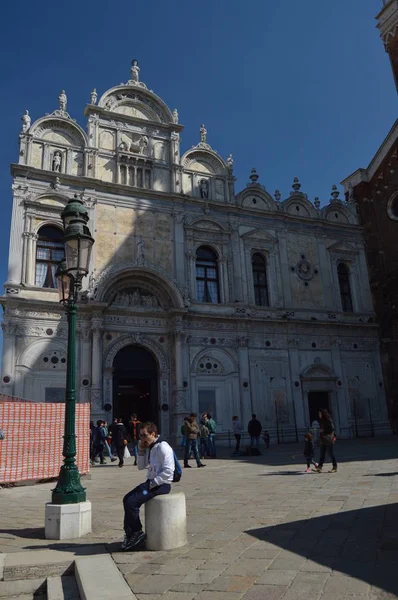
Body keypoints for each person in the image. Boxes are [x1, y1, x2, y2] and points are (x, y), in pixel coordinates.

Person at [121, 422, 174, 551]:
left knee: (132, 502)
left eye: (145, 435)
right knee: (127, 499)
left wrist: (152, 484)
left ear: (153, 433)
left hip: (161, 485)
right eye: (140, 436)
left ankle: (137, 532)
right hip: (151, 483)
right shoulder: (151, 447)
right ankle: (130, 533)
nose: (142, 439)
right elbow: (140, 466)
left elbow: (169, 471)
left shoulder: (163, 447)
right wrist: (141, 450)